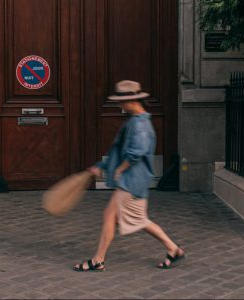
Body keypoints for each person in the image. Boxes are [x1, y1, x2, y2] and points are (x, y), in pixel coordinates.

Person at [73, 80, 185, 272]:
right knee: (120, 217)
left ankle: (98, 260)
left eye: (121, 101)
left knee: (135, 219)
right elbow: (121, 151)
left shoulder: (139, 124)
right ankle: (172, 249)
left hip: (132, 181)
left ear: (131, 101)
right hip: (133, 180)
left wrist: (120, 169)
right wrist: (103, 166)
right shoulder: (136, 120)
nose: (119, 105)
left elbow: (136, 152)